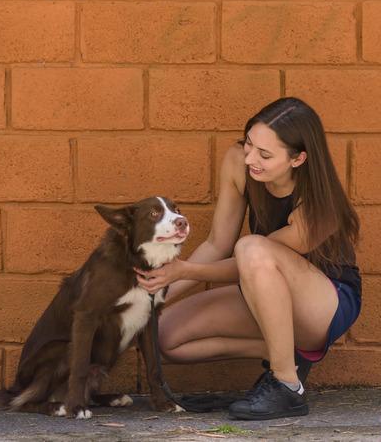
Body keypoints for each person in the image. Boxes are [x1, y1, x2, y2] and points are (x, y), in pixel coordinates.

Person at [135, 97, 361, 420]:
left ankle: (287, 386)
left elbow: (249, 259)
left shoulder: (317, 208)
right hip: (262, 285)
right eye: (250, 144)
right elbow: (217, 244)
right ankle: (289, 357)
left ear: (298, 159)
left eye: (265, 155)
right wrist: (153, 296)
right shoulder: (238, 161)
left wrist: (182, 269)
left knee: (251, 248)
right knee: (164, 339)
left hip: (325, 302)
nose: (251, 158)